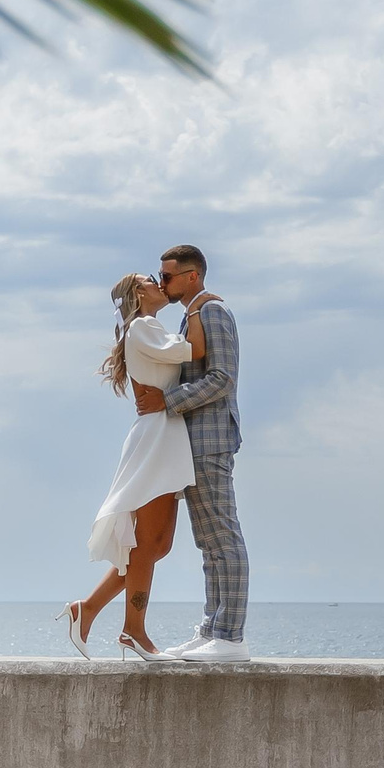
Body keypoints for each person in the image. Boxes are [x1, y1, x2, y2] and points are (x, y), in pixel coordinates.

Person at [67, 272, 201, 660]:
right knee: (146, 545)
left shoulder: (147, 327)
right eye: (150, 280)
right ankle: (133, 630)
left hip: (165, 435)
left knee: (157, 545)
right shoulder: (143, 326)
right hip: (158, 438)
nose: (160, 282)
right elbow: (194, 350)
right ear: (137, 294)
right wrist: (198, 303)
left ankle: (87, 609)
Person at [134, 244, 249, 662]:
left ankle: (231, 636)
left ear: (192, 276)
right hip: (194, 442)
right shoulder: (194, 314)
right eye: (159, 277)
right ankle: (212, 629)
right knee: (208, 542)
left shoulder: (213, 313)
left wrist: (168, 400)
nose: (162, 283)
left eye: (166, 277)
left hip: (212, 439)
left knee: (223, 537)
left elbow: (222, 378)